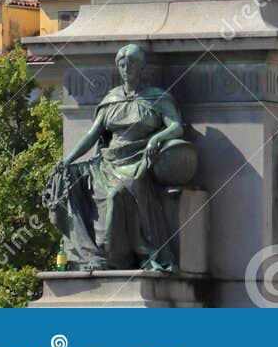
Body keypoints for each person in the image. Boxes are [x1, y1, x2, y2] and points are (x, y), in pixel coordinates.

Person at [44, 44, 185, 271]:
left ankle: (117, 258)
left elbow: (176, 126)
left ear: (141, 68)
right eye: (122, 64)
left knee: (117, 194)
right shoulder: (112, 99)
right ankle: (93, 254)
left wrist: (156, 138)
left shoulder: (157, 98)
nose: (126, 68)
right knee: (70, 181)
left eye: (131, 64)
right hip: (108, 162)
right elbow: (92, 136)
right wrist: (67, 160)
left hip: (140, 159)